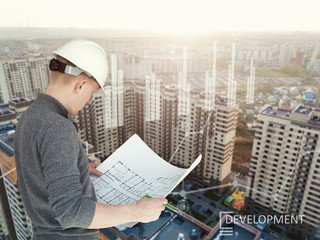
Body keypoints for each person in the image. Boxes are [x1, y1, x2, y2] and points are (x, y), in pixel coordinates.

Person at [14, 39, 167, 240]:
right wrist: (137, 211)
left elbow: (36, 173)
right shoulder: (57, 127)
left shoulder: (30, 116)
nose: (89, 101)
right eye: (91, 92)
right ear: (81, 84)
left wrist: (74, 169)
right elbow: (70, 212)